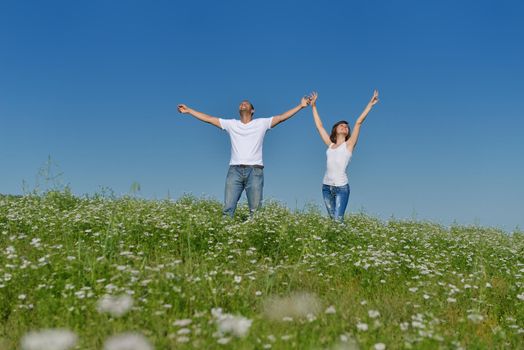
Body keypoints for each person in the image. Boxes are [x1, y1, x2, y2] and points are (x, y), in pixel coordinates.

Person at [177, 96, 310, 217]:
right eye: (241, 104)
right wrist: (189, 110)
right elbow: (209, 119)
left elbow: (281, 117)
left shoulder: (261, 123)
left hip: (255, 171)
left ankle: (255, 237)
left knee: (256, 210)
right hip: (234, 170)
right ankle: (225, 234)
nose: (243, 104)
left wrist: (300, 106)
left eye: (246, 104)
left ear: (252, 110)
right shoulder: (231, 124)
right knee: (228, 207)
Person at [309, 90, 379, 221]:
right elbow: (319, 126)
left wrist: (370, 104)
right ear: (335, 130)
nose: (344, 127)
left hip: (341, 188)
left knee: (338, 220)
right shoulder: (330, 145)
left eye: (346, 127)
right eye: (341, 125)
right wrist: (313, 106)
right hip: (326, 187)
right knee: (332, 220)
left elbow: (358, 122)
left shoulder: (349, 145)